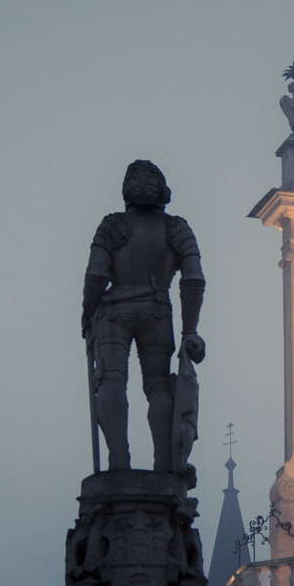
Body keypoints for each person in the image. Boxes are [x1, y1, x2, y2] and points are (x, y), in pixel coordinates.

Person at [82, 160, 205, 471]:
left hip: (113, 314)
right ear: (162, 192)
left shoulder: (112, 225)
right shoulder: (176, 228)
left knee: (111, 380)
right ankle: (164, 466)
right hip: (157, 312)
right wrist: (189, 330)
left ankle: (118, 463)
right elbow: (193, 279)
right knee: (159, 386)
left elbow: (96, 276)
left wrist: (87, 313)